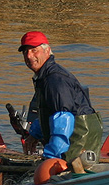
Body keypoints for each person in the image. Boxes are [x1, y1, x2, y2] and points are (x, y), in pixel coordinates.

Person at [18, 31, 103, 170]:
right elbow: (50, 111)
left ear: (47, 51)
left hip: (79, 138)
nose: (28, 56)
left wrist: (50, 158)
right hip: (75, 133)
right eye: (25, 52)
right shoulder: (45, 76)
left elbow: (63, 119)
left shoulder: (54, 79)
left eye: (34, 50)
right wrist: (34, 134)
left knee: (58, 172)